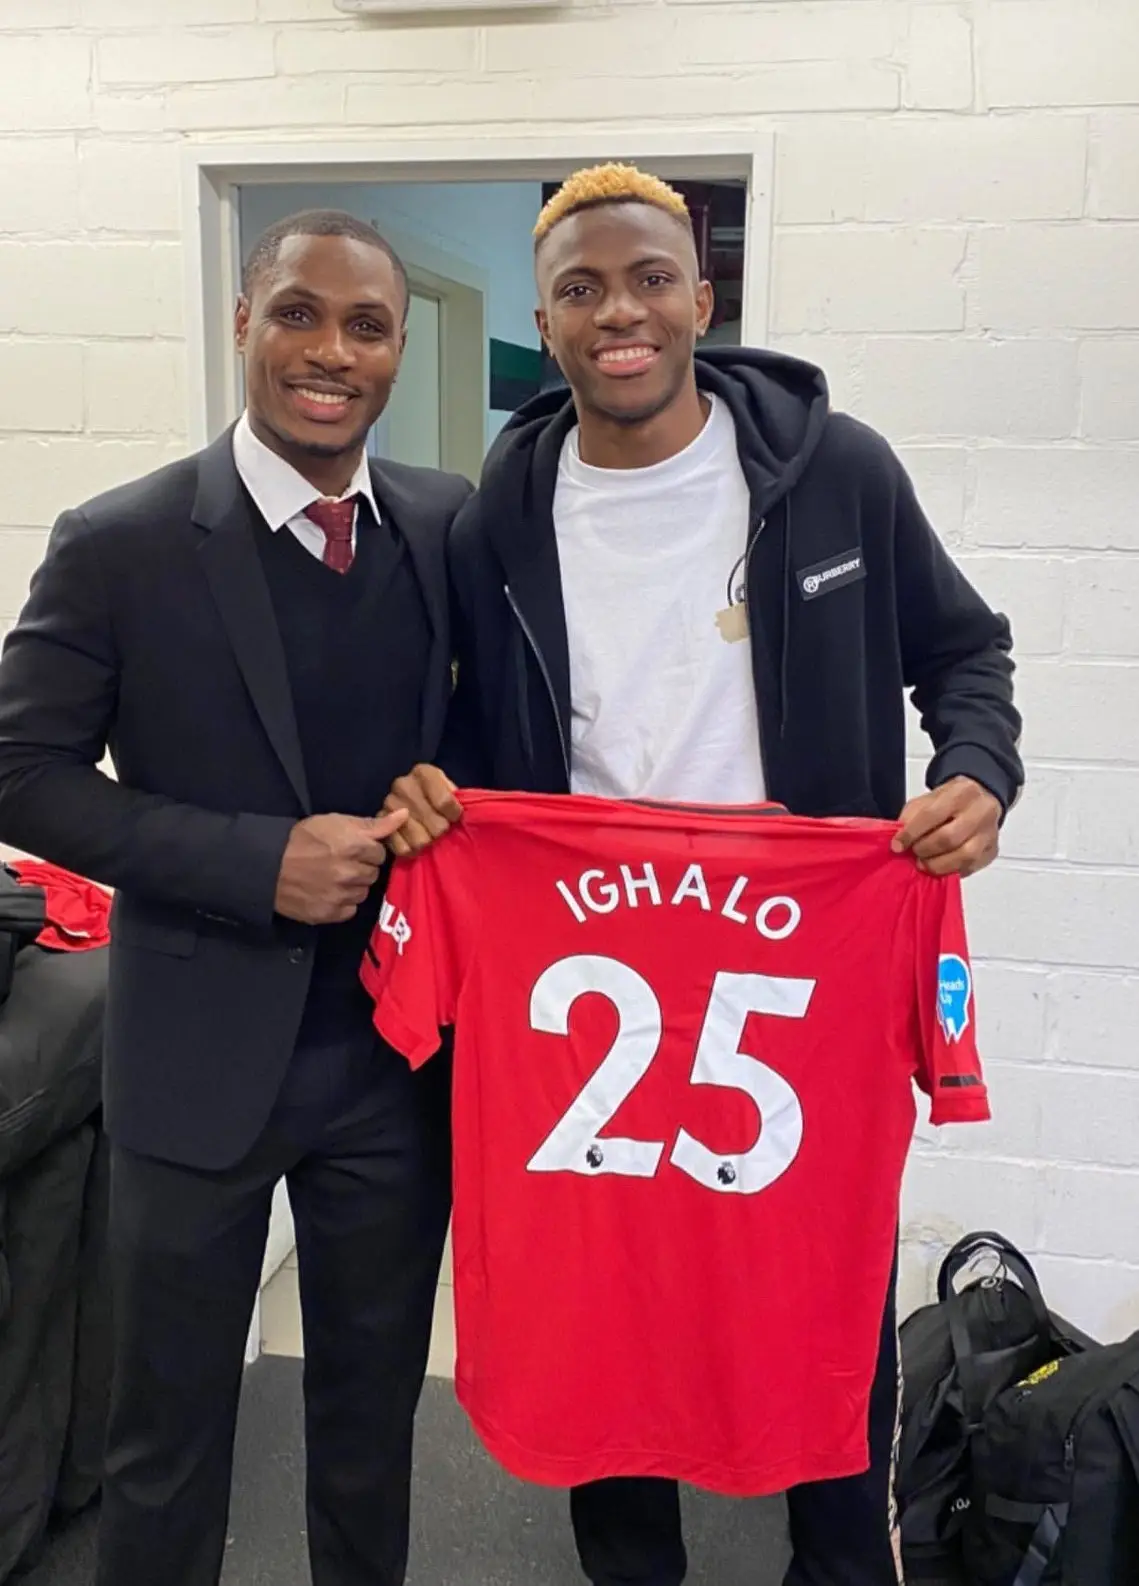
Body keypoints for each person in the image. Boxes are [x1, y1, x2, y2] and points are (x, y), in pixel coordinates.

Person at [384, 165, 1024, 1586]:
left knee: (816, 1277)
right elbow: (463, 724)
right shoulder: (497, 516)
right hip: (588, 963)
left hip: (798, 955)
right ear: (544, 322)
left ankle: (840, 1563)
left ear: (701, 298)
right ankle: (632, 1570)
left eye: (649, 280)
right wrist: (431, 793)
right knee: (597, 1285)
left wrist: (974, 769)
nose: (620, 313)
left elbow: (963, 652)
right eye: (581, 290)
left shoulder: (834, 470)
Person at [0, 209, 472, 1586]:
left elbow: (502, 734)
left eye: (366, 325)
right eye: (299, 315)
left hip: (395, 1058)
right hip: (195, 1061)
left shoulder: (446, 522)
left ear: (394, 350)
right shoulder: (122, 540)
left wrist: (459, 782)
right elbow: (22, 770)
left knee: (368, 1427)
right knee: (169, 1444)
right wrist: (250, 860)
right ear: (244, 324)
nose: (331, 351)